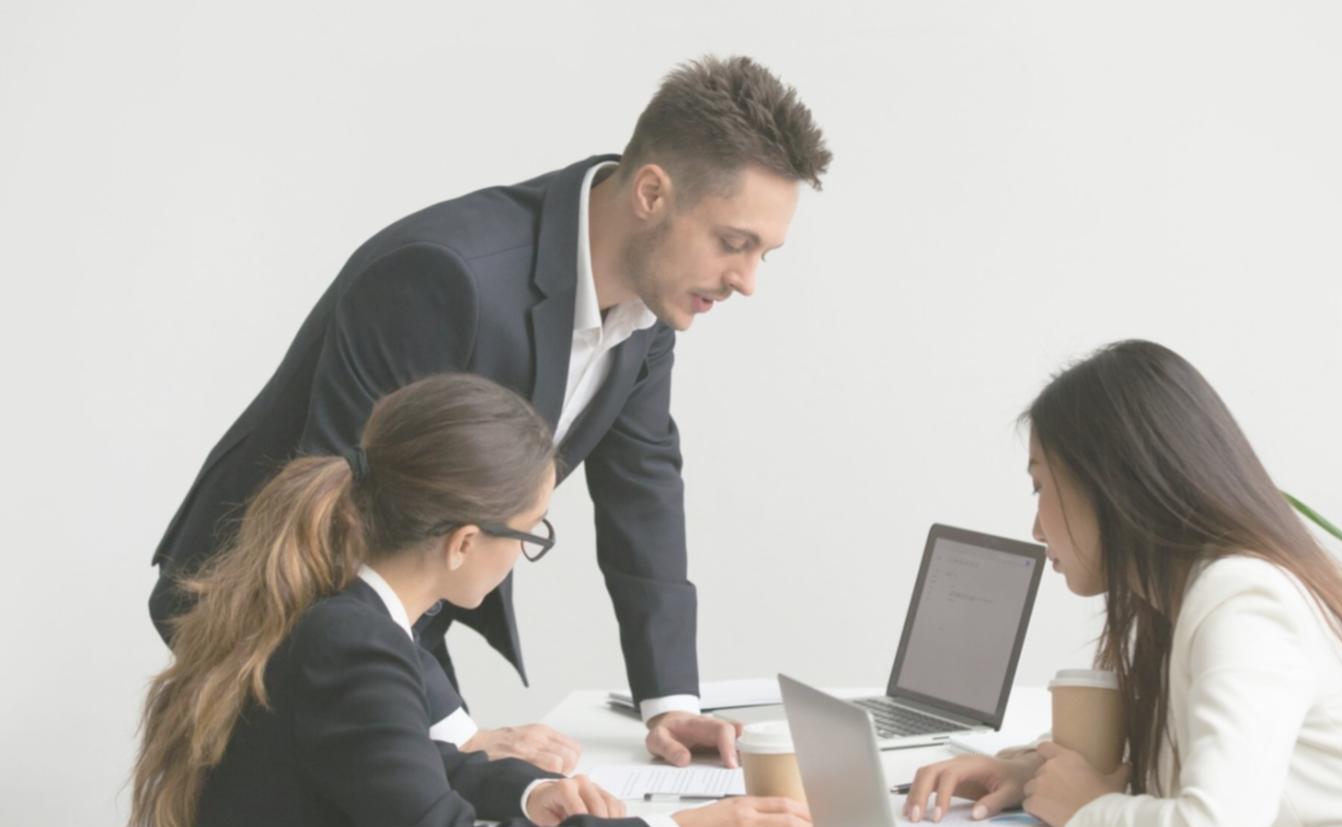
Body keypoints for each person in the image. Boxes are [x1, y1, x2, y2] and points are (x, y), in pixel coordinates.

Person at [148, 54, 832, 774]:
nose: (748, 281)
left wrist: (671, 704)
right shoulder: (444, 275)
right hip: (262, 606)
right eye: (734, 243)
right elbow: (347, 517)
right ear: (652, 193)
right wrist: (453, 729)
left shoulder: (653, 299)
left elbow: (644, 491)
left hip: (386, 608)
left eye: (765, 253)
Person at [127, 374, 815, 827]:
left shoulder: (337, 613)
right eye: (529, 533)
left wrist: (523, 791)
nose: (522, 555)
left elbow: (388, 766)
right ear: (462, 543)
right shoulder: (352, 643)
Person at [903, 341, 1342, 827]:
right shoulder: (1195, 596)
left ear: (1108, 483)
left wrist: (1085, 809)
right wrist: (1032, 775)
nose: (1035, 527)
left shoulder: (1245, 601)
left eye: (1040, 486)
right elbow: (1198, 769)